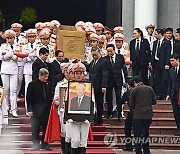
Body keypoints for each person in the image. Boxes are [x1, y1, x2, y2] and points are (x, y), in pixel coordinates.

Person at [67, 63, 91, 154]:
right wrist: (68, 116)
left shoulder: (88, 86)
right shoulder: (70, 86)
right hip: (73, 118)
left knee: (83, 141)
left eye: (80, 73)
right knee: (75, 140)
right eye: (77, 73)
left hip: (85, 118)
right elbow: (67, 102)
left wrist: (91, 115)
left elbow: (92, 102)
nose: (79, 75)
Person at [129, 76, 157, 154]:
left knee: (137, 134)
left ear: (135, 83)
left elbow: (131, 104)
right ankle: (146, 150)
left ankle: (138, 150)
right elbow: (154, 102)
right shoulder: (150, 89)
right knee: (145, 132)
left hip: (138, 115)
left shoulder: (134, 90)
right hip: (148, 115)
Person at [26, 68, 52, 151]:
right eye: (45, 76)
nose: (46, 78)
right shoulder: (32, 84)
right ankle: (36, 145)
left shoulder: (48, 84)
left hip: (46, 110)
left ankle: (45, 144)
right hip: (35, 111)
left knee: (46, 129)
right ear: (40, 75)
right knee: (35, 129)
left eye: (47, 76)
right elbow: (28, 98)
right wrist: (29, 110)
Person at [0, 29, 22, 117]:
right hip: (5, 69)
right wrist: (9, 56)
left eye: (11, 38)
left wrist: (14, 57)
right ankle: (6, 107)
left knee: (13, 90)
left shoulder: (18, 46)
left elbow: (21, 58)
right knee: (6, 90)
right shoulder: (2, 46)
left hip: (14, 69)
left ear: (14, 38)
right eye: (8, 38)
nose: (9, 40)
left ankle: (13, 109)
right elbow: (1, 57)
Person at [104, 44, 128, 121]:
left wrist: (126, 80)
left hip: (118, 80)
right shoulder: (105, 59)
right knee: (109, 97)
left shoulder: (120, 57)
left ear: (114, 50)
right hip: (109, 80)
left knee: (119, 97)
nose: (109, 53)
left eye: (111, 51)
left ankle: (119, 113)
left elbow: (124, 69)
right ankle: (109, 112)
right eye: (108, 51)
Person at [89, 47, 108, 125]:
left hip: (99, 86)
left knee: (99, 103)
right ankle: (94, 119)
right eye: (93, 55)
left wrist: (104, 86)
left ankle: (99, 120)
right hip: (92, 86)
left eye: (95, 55)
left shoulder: (103, 61)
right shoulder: (93, 62)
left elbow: (105, 74)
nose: (94, 56)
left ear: (99, 53)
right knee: (93, 103)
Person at [22, 29, 39, 113]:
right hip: (28, 68)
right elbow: (23, 57)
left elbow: (40, 56)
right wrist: (31, 57)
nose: (31, 38)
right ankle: (27, 108)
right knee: (27, 88)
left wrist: (31, 56)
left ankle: (36, 107)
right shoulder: (24, 46)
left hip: (36, 69)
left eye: (33, 37)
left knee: (36, 88)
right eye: (30, 37)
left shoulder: (39, 46)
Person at [151, 28, 171, 100]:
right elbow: (153, 53)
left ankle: (165, 93)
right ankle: (159, 94)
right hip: (156, 63)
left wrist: (167, 63)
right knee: (157, 79)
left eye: (156, 34)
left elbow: (168, 53)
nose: (155, 35)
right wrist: (151, 62)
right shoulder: (155, 42)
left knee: (164, 79)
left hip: (163, 63)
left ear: (160, 34)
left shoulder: (167, 42)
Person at [166, 53, 180, 136]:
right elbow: (170, 83)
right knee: (176, 112)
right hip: (174, 94)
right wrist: (168, 93)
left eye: (173, 60)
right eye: (170, 61)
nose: (171, 62)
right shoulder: (171, 70)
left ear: (178, 60)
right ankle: (178, 128)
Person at [120, 79, 135, 151]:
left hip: (132, 113)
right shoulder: (140, 91)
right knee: (138, 130)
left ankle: (128, 145)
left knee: (127, 129)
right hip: (141, 113)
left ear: (128, 86)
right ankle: (138, 145)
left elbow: (121, 102)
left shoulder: (128, 93)